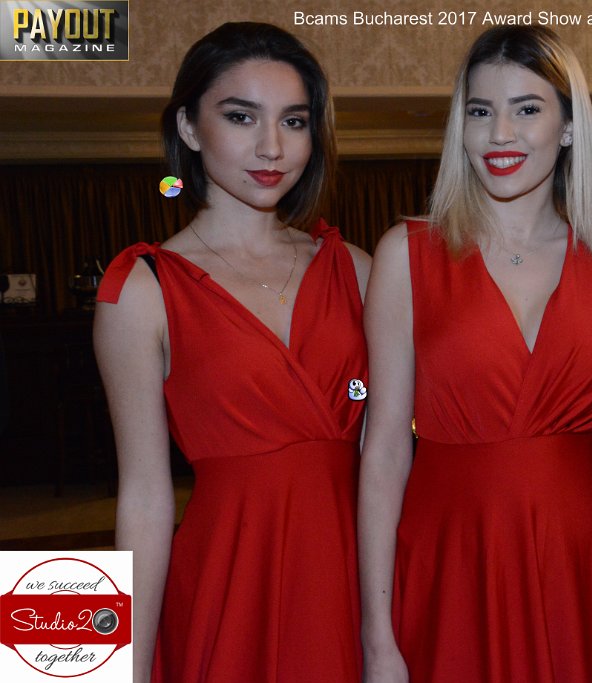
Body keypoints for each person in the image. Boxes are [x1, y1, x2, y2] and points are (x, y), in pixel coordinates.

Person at [358, 25, 592, 683]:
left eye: (526, 109)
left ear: (569, 126)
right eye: (480, 111)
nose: (500, 134)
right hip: (449, 568)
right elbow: (383, 453)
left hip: (579, 573)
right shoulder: (406, 257)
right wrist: (377, 635)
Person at [94, 22, 370, 682]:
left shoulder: (357, 271)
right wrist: (125, 667)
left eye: (294, 121)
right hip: (227, 581)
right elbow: (144, 497)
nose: (272, 145)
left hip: (352, 576)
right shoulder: (141, 289)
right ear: (188, 127)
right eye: (241, 116)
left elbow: (386, 459)